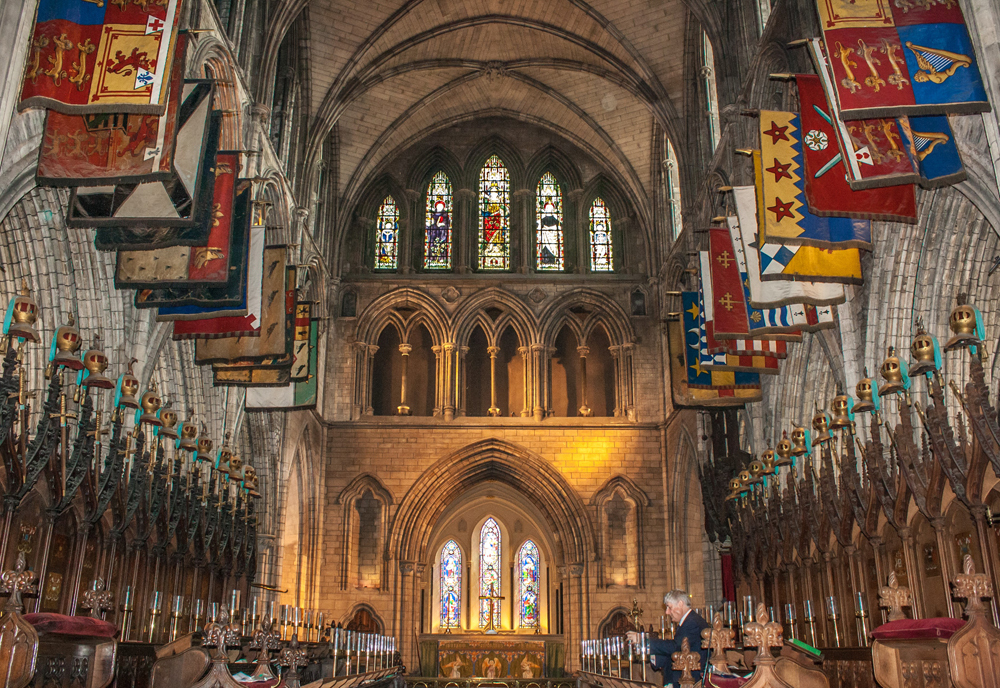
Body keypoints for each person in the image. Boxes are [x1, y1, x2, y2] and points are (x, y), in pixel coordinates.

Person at [626, 591, 710, 688]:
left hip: (690, 680)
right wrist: (652, 657)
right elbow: (675, 651)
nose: (667, 612)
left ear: (680, 604)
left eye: (669, 607)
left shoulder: (692, 622)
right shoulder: (689, 620)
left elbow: (675, 647)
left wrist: (642, 639)